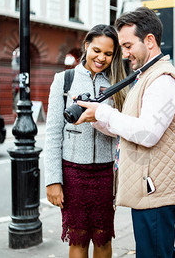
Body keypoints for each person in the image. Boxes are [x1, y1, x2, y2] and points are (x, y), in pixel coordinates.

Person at [75, 7, 175, 258]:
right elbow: (130, 126)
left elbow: (147, 133)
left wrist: (104, 113)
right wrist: (95, 117)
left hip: (157, 192)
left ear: (149, 40)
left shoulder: (162, 79)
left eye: (128, 45)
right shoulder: (146, 76)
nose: (124, 53)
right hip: (150, 189)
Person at [43, 24, 127, 258]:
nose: (101, 58)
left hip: (105, 173)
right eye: (97, 50)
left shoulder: (118, 83)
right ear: (86, 45)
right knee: (78, 240)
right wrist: (53, 181)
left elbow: (123, 128)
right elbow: (52, 133)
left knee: (103, 237)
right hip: (73, 173)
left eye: (108, 54)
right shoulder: (64, 80)